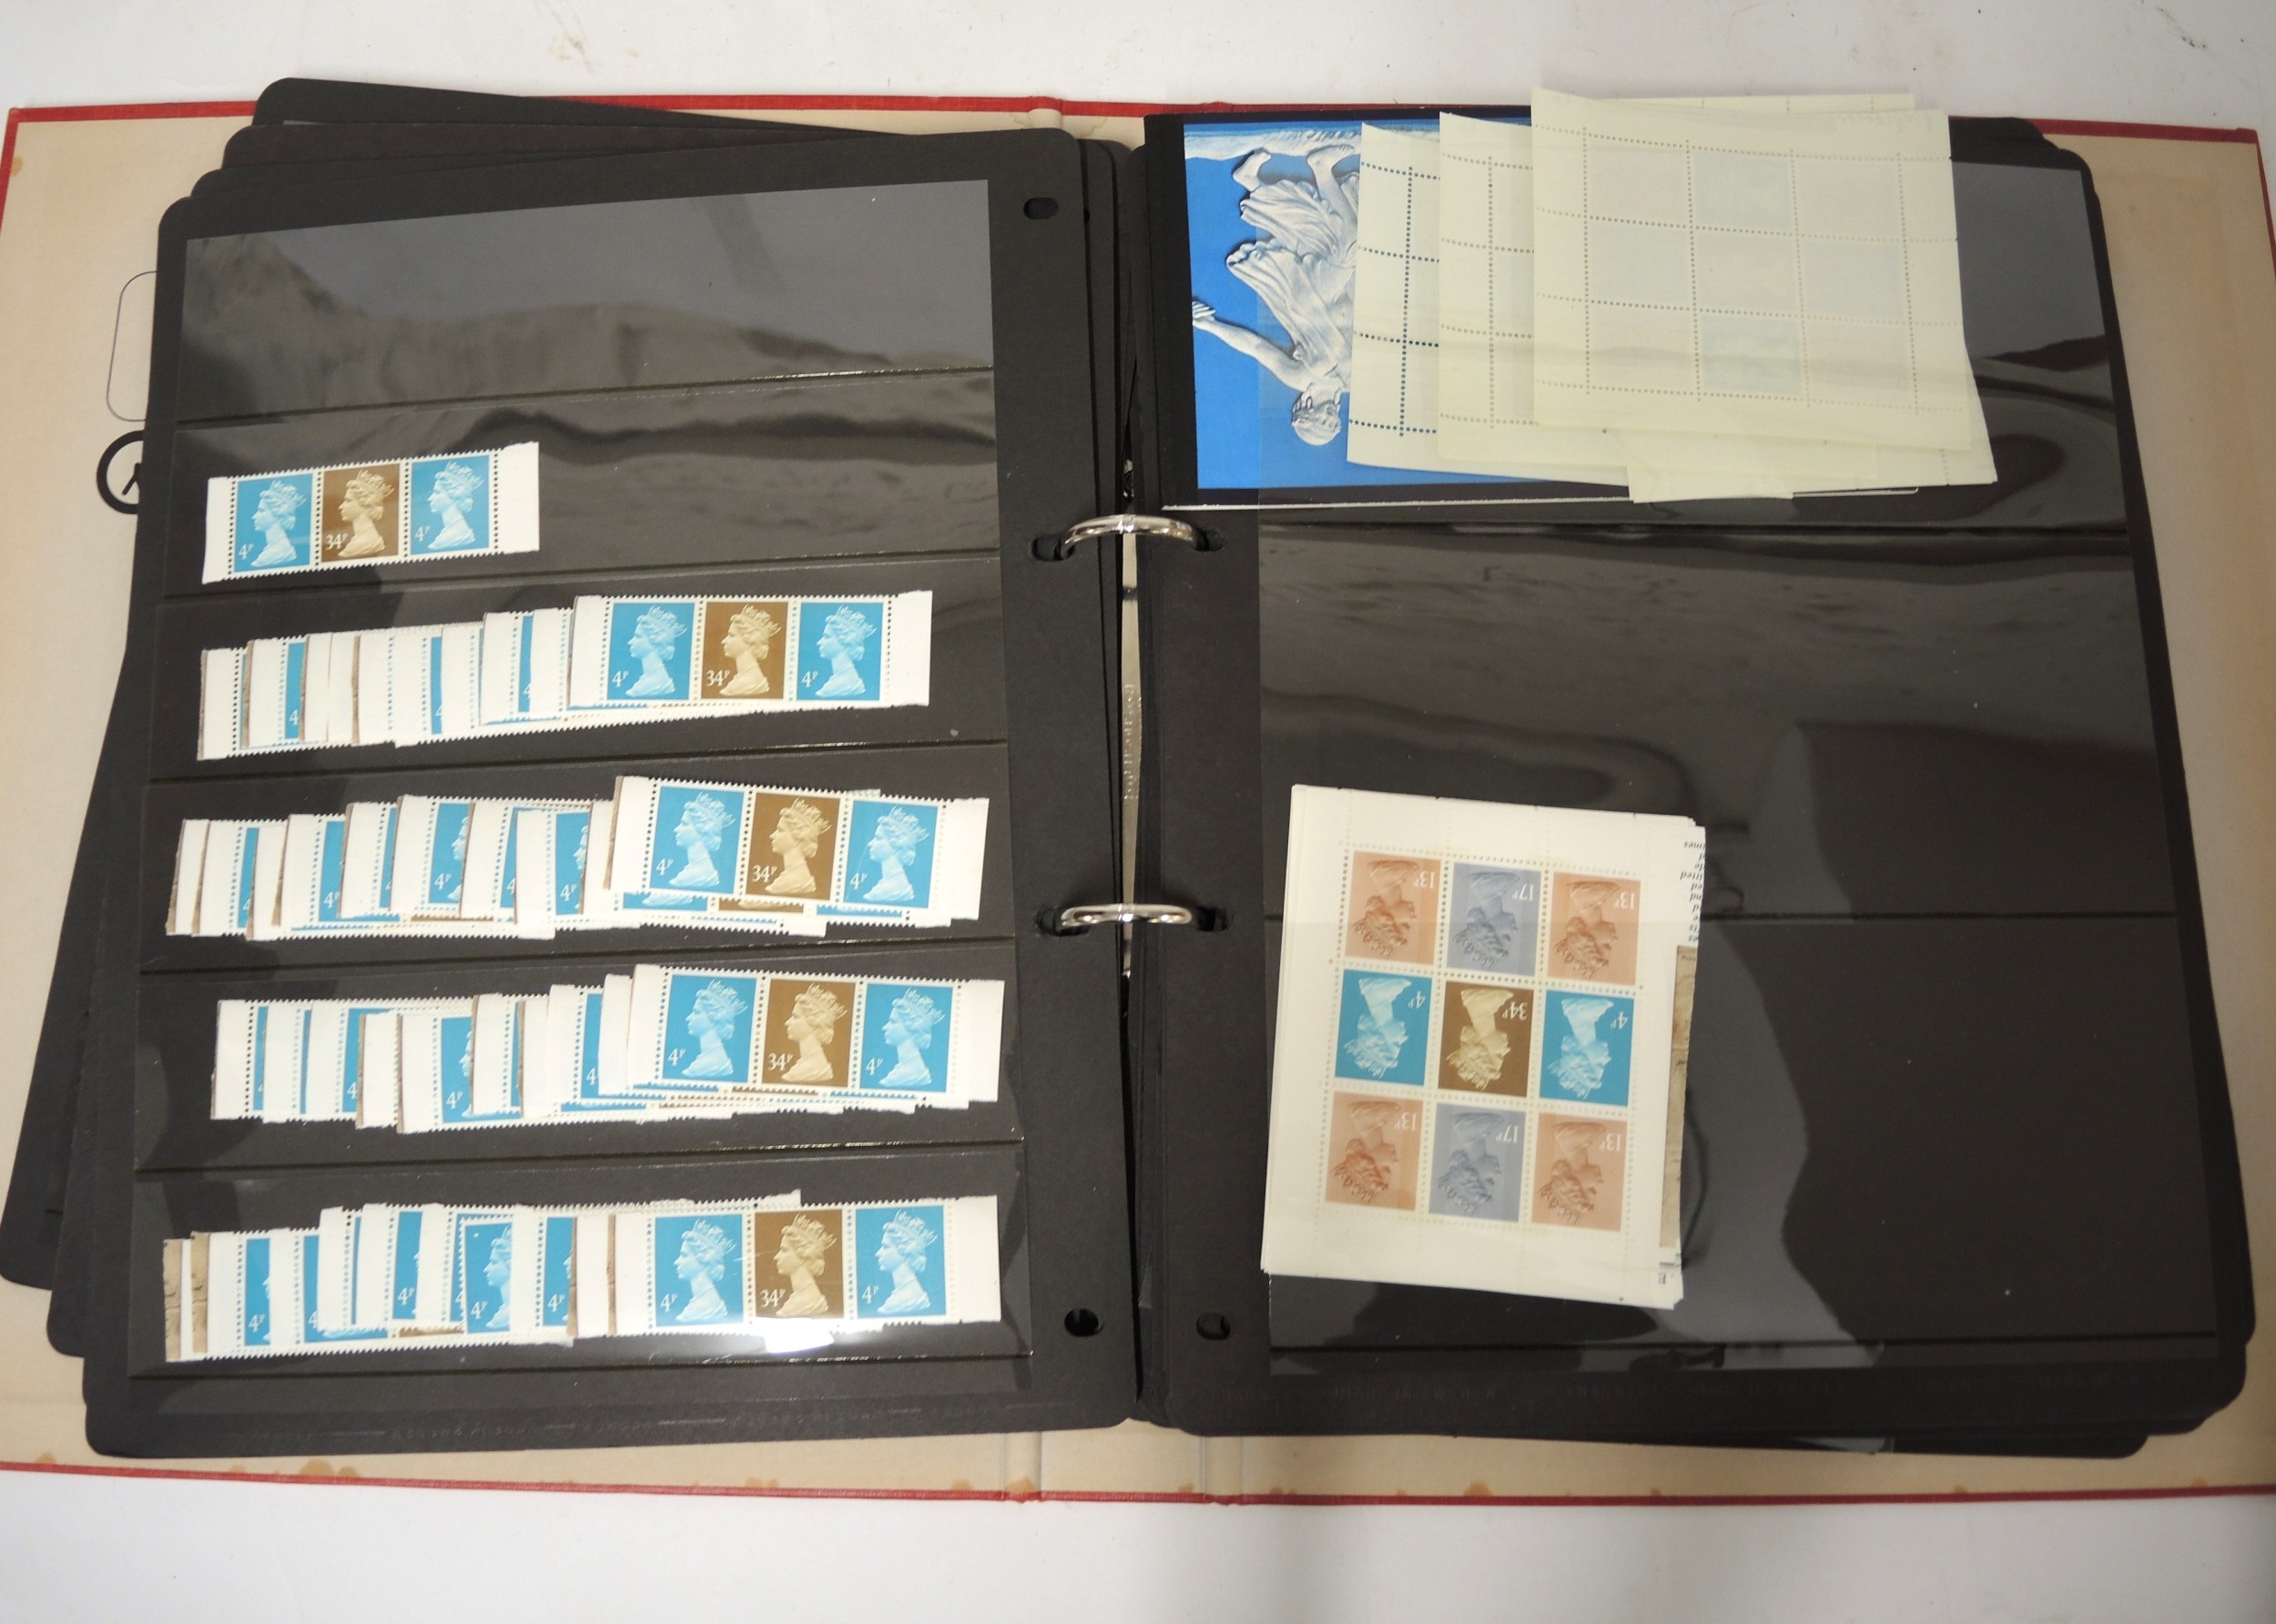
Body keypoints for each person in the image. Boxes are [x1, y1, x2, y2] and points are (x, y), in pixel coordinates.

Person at [1188, 139, 1360, 448]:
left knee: (1347, 246)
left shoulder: (1300, 377)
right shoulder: (1352, 383)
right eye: (1332, 422)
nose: (1330, 415)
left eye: (1321, 420)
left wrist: (1209, 325)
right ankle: (1251, 181)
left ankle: (1321, 168)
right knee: (1324, 235)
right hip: (1345, 292)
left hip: (1311, 297)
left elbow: (1256, 347)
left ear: (1305, 410)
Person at [1329, 1098, 1404, 1203]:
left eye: (1386, 1168)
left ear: (1366, 1159)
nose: (1395, 1162)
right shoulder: (1382, 1114)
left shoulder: (1362, 1113)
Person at [1434, 1111, 1507, 1216]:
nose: (1498, 1175)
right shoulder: (1486, 1125)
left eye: (1490, 1180)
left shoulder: (1464, 1125)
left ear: (1469, 1170)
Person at [1539, 1121, 1607, 1226]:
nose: (1601, 1184)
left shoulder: (1566, 1135)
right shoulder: (1585, 1135)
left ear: (1572, 1179)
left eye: (1592, 1189)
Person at [1342, 974, 1412, 1078]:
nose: (1405, 1038)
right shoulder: (1389, 989)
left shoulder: (1382, 988)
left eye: (1396, 1043)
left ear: (1378, 1035)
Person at [679, 979, 749, 1081]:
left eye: (696, 1012)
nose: (688, 1018)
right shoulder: (708, 1061)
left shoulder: (708, 1066)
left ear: (714, 1019)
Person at [871, 1210, 939, 1314]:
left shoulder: (912, 1299)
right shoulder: (901, 1295)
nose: (878, 1253)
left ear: (905, 1252)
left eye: (885, 1247)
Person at [859, 806, 930, 906]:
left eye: (878, 838)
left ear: (896, 845)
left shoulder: (892, 890)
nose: (870, 844)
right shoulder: (888, 884)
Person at [876, 990, 946, 1090]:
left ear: (911, 1028)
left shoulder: (911, 1074)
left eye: (893, 1022)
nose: (885, 1027)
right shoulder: (905, 1071)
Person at [1549, 996, 1616, 1099]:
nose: (1608, 1059)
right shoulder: (1584, 1012)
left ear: (1581, 1057)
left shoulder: (1579, 1009)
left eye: (1600, 1064)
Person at [1447, 986, 1513, 1090]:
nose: (1507, 1050)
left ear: (1480, 1046)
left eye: (1499, 1054)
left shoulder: (1482, 1000)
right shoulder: (1488, 1000)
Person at [779, 985, 848, 1083]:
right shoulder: (805, 1067)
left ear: (815, 1025)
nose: (787, 1023)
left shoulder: (811, 1070)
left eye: (795, 1017)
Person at [771, 1214, 836, 1318]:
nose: (776, 1257)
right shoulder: (799, 1298)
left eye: (784, 1250)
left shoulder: (810, 1302)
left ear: (803, 1256)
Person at [671, 1219, 735, 1324]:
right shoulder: (701, 1303)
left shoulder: (708, 1307)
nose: (676, 1262)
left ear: (703, 1260)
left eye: (684, 1255)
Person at [763, 799, 830, 897]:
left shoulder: (793, 882)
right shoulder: (790, 879)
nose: (772, 836)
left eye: (780, 830)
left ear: (798, 837)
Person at [665, 792, 730, 890]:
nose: (676, 829)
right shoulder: (694, 871)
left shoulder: (694, 876)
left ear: (702, 830)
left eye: (684, 824)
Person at [622, 604, 687, 700]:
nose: (630, 642)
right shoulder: (653, 681)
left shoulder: (651, 685)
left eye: (638, 636)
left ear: (656, 642)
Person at [812, 605, 876, 699]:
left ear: (845, 642)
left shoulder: (843, 685)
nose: (819, 642)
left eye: (827, 637)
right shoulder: (840, 681)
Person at [717, 604, 781, 696]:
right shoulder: (751, 679)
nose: (723, 641)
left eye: (731, 635)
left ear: (749, 641)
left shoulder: (742, 685)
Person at [421, 461, 483, 551]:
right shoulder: (453, 532)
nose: (430, 498)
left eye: (437, 492)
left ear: (454, 496)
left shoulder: (455, 536)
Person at [244, 479, 306, 567]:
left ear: (277, 514)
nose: (254, 516)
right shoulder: (275, 548)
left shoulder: (275, 553)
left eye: (261, 510)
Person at [332, 468, 392, 558]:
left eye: (348, 501)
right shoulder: (362, 540)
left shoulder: (365, 544)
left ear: (365, 505)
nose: (341, 506)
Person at [478, 1230, 513, 1332]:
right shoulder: (503, 1313)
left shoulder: (505, 1317)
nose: (486, 1269)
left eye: (494, 1262)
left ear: (511, 1264)